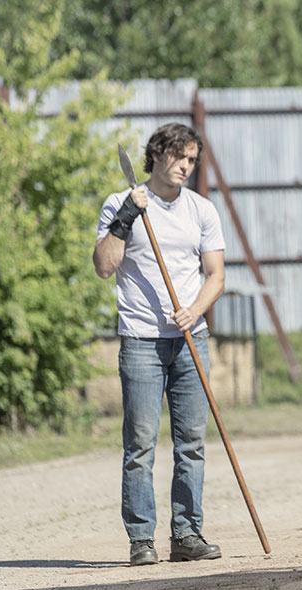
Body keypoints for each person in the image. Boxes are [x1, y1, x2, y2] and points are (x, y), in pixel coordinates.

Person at [93, 123, 226, 566]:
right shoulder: (120, 203)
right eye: (178, 157)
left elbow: (217, 276)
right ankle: (141, 540)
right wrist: (126, 218)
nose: (186, 166)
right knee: (141, 444)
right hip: (142, 341)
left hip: (191, 340)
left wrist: (195, 309)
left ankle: (187, 534)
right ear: (156, 156)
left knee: (190, 442)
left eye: (191, 159)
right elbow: (103, 267)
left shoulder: (202, 210)